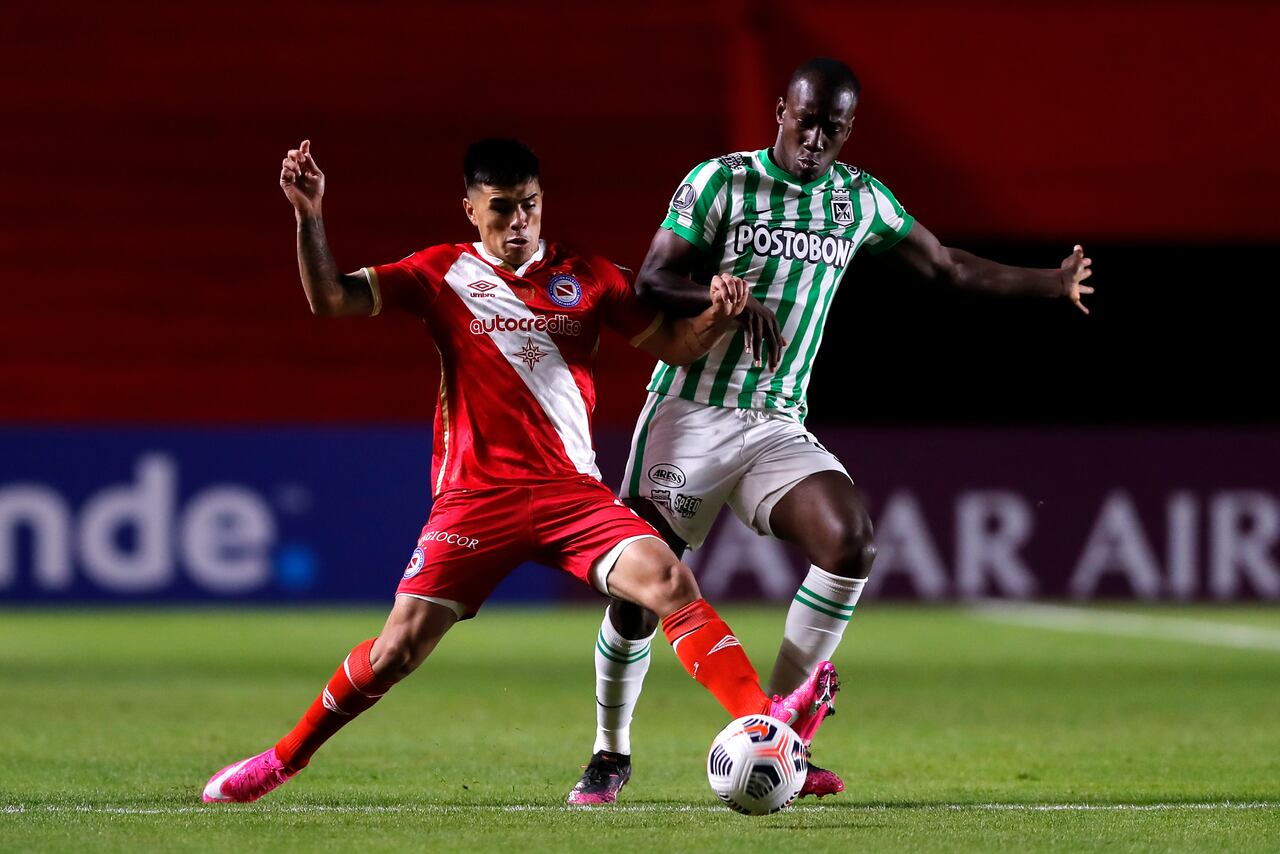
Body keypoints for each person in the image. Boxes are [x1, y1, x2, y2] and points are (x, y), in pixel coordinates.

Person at [201, 137, 841, 803]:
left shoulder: (590, 276)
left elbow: (677, 347)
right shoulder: (439, 273)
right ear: (471, 211)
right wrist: (310, 216)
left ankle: (763, 724)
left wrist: (719, 316)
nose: (518, 223)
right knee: (397, 650)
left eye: (529, 207)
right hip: (474, 501)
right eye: (501, 209)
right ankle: (282, 759)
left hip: (571, 495)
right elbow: (330, 299)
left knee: (669, 580)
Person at [566, 57, 1095, 805]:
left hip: (777, 421)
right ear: (781, 109)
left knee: (851, 542)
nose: (814, 137)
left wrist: (1049, 283)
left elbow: (944, 266)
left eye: (832, 127)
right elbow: (651, 281)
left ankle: (780, 731)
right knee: (636, 598)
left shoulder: (859, 201)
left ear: (849, 131)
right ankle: (609, 751)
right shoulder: (720, 181)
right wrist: (714, 293)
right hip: (688, 412)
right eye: (805, 118)